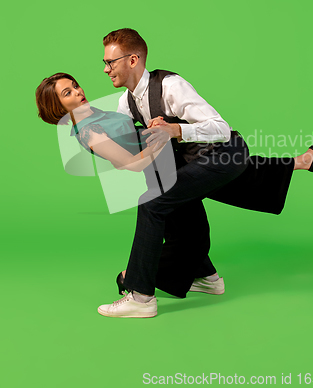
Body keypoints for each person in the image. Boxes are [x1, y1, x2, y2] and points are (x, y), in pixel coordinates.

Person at [96, 28, 313, 319]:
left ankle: (141, 296)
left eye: (110, 62)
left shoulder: (170, 85)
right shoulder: (125, 103)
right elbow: (128, 146)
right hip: (196, 162)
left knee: (154, 202)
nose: (106, 69)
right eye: (104, 63)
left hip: (224, 153)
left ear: (132, 60)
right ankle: (207, 278)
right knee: (175, 196)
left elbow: (220, 127)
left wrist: (175, 129)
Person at [35, 72, 220, 299]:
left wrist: (155, 126)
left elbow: (133, 134)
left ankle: (207, 277)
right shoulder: (89, 132)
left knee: (184, 226)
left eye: (75, 85)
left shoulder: (94, 115)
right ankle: (130, 280)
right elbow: (130, 164)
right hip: (159, 170)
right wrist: (159, 140)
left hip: (168, 162)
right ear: (58, 106)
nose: (78, 91)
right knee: (185, 229)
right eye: (68, 93)